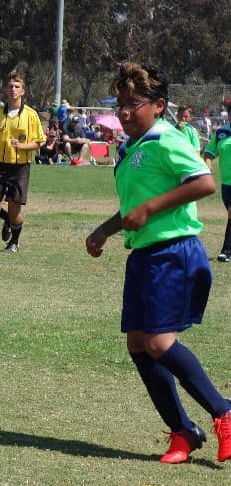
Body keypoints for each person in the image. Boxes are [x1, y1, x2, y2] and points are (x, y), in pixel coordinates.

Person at [85, 61, 230, 464]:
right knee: (138, 343)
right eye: (120, 104)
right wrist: (104, 231)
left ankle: (224, 411)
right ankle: (182, 431)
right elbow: (132, 209)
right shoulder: (130, 147)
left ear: (159, 105)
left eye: (134, 104)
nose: (125, 113)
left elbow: (204, 182)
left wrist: (150, 208)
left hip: (175, 252)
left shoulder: (166, 139)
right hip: (144, 255)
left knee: (158, 342)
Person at [0, 70, 45, 253]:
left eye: (17, 87)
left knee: (15, 210)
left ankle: (14, 243)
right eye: (10, 86)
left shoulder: (31, 115)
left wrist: (22, 146)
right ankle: (7, 220)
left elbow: (40, 142)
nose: (13, 90)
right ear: (6, 90)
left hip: (20, 168)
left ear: (23, 91)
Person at [203, 116, 231, 262]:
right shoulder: (222, 133)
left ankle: (226, 251)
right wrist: (207, 165)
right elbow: (209, 152)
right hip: (226, 184)